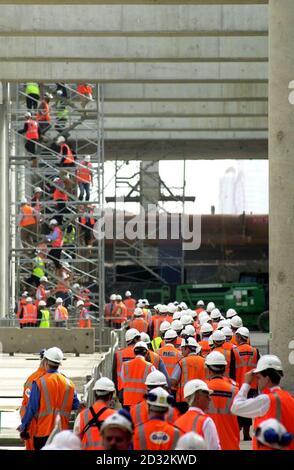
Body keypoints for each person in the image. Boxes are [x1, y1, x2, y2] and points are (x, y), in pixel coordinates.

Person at [19, 347, 79, 451]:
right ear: (59, 364)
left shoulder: (39, 383)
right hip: (62, 434)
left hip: (43, 432)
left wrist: (24, 427)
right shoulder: (69, 383)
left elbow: (31, 408)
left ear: (45, 362)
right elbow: (75, 404)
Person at [231, 354, 294, 450]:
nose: (257, 381)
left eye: (258, 377)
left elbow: (235, 407)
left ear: (267, 379)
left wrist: (246, 383)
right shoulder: (289, 398)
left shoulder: (266, 400)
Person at [205, 351, 240, 450]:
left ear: (208, 369)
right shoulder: (235, 389)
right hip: (231, 443)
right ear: (224, 369)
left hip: (209, 443)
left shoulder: (202, 389)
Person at [230, 326, 260, 441]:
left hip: (239, 385)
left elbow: (232, 370)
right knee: (248, 409)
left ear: (238, 337)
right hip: (252, 385)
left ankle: (238, 432)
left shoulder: (235, 351)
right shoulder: (255, 350)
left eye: (236, 336)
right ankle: (247, 434)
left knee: (238, 409)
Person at [174, 379, 220, 450]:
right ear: (198, 398)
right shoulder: (206, 421)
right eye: (207, 396)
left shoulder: (177, 422)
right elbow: (214, 448)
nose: (210, 399)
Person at [75, 377, 116, 450]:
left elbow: (75, 442)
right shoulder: (116, 416)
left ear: (95, 394)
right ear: (110, 395)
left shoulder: (82, 416)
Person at [19, 349, 46, 450]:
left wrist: (24, 425)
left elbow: (26, 405)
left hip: (31, 427)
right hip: (46, 427)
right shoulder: (61, 379)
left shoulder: (31, 378)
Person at [171, 337, 205, 413]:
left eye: (182, 349)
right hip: (201, 399)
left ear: (187, 348)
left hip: (185, 400)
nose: (181, 351)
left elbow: (173, 381)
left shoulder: (182, 362)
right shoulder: (204, 361)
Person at [120, 341, 155, 408]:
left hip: (128, 400)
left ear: (134, 352)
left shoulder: (125, 365)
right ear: (147, 353)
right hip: (143, 402)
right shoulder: (150, 366)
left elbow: (123, 379)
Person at [112, 328, 141, 399]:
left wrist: (118, 391)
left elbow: (114, 374)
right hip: (139, 391)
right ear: (135, 339)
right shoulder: (143, 352)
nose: (140, 340)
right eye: (139, 338)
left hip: (123, 391)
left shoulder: (118, 354)